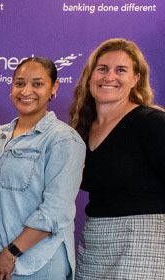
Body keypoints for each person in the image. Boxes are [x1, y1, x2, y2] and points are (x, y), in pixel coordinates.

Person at [0, 57, 84, 280]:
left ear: (54, 88)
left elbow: (56, 210)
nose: (26, 91)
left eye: (37, 84)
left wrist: (12, 253)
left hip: (36, 263)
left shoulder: (63, 140)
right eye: (20, 83)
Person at [69, 38, 165, 279]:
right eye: (102, 69)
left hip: (146, 238)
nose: (109, 77)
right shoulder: (81, 129)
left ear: (136, 79)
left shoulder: (152, 122)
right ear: (90, 76)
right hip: (95, 240)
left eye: (120, 70)